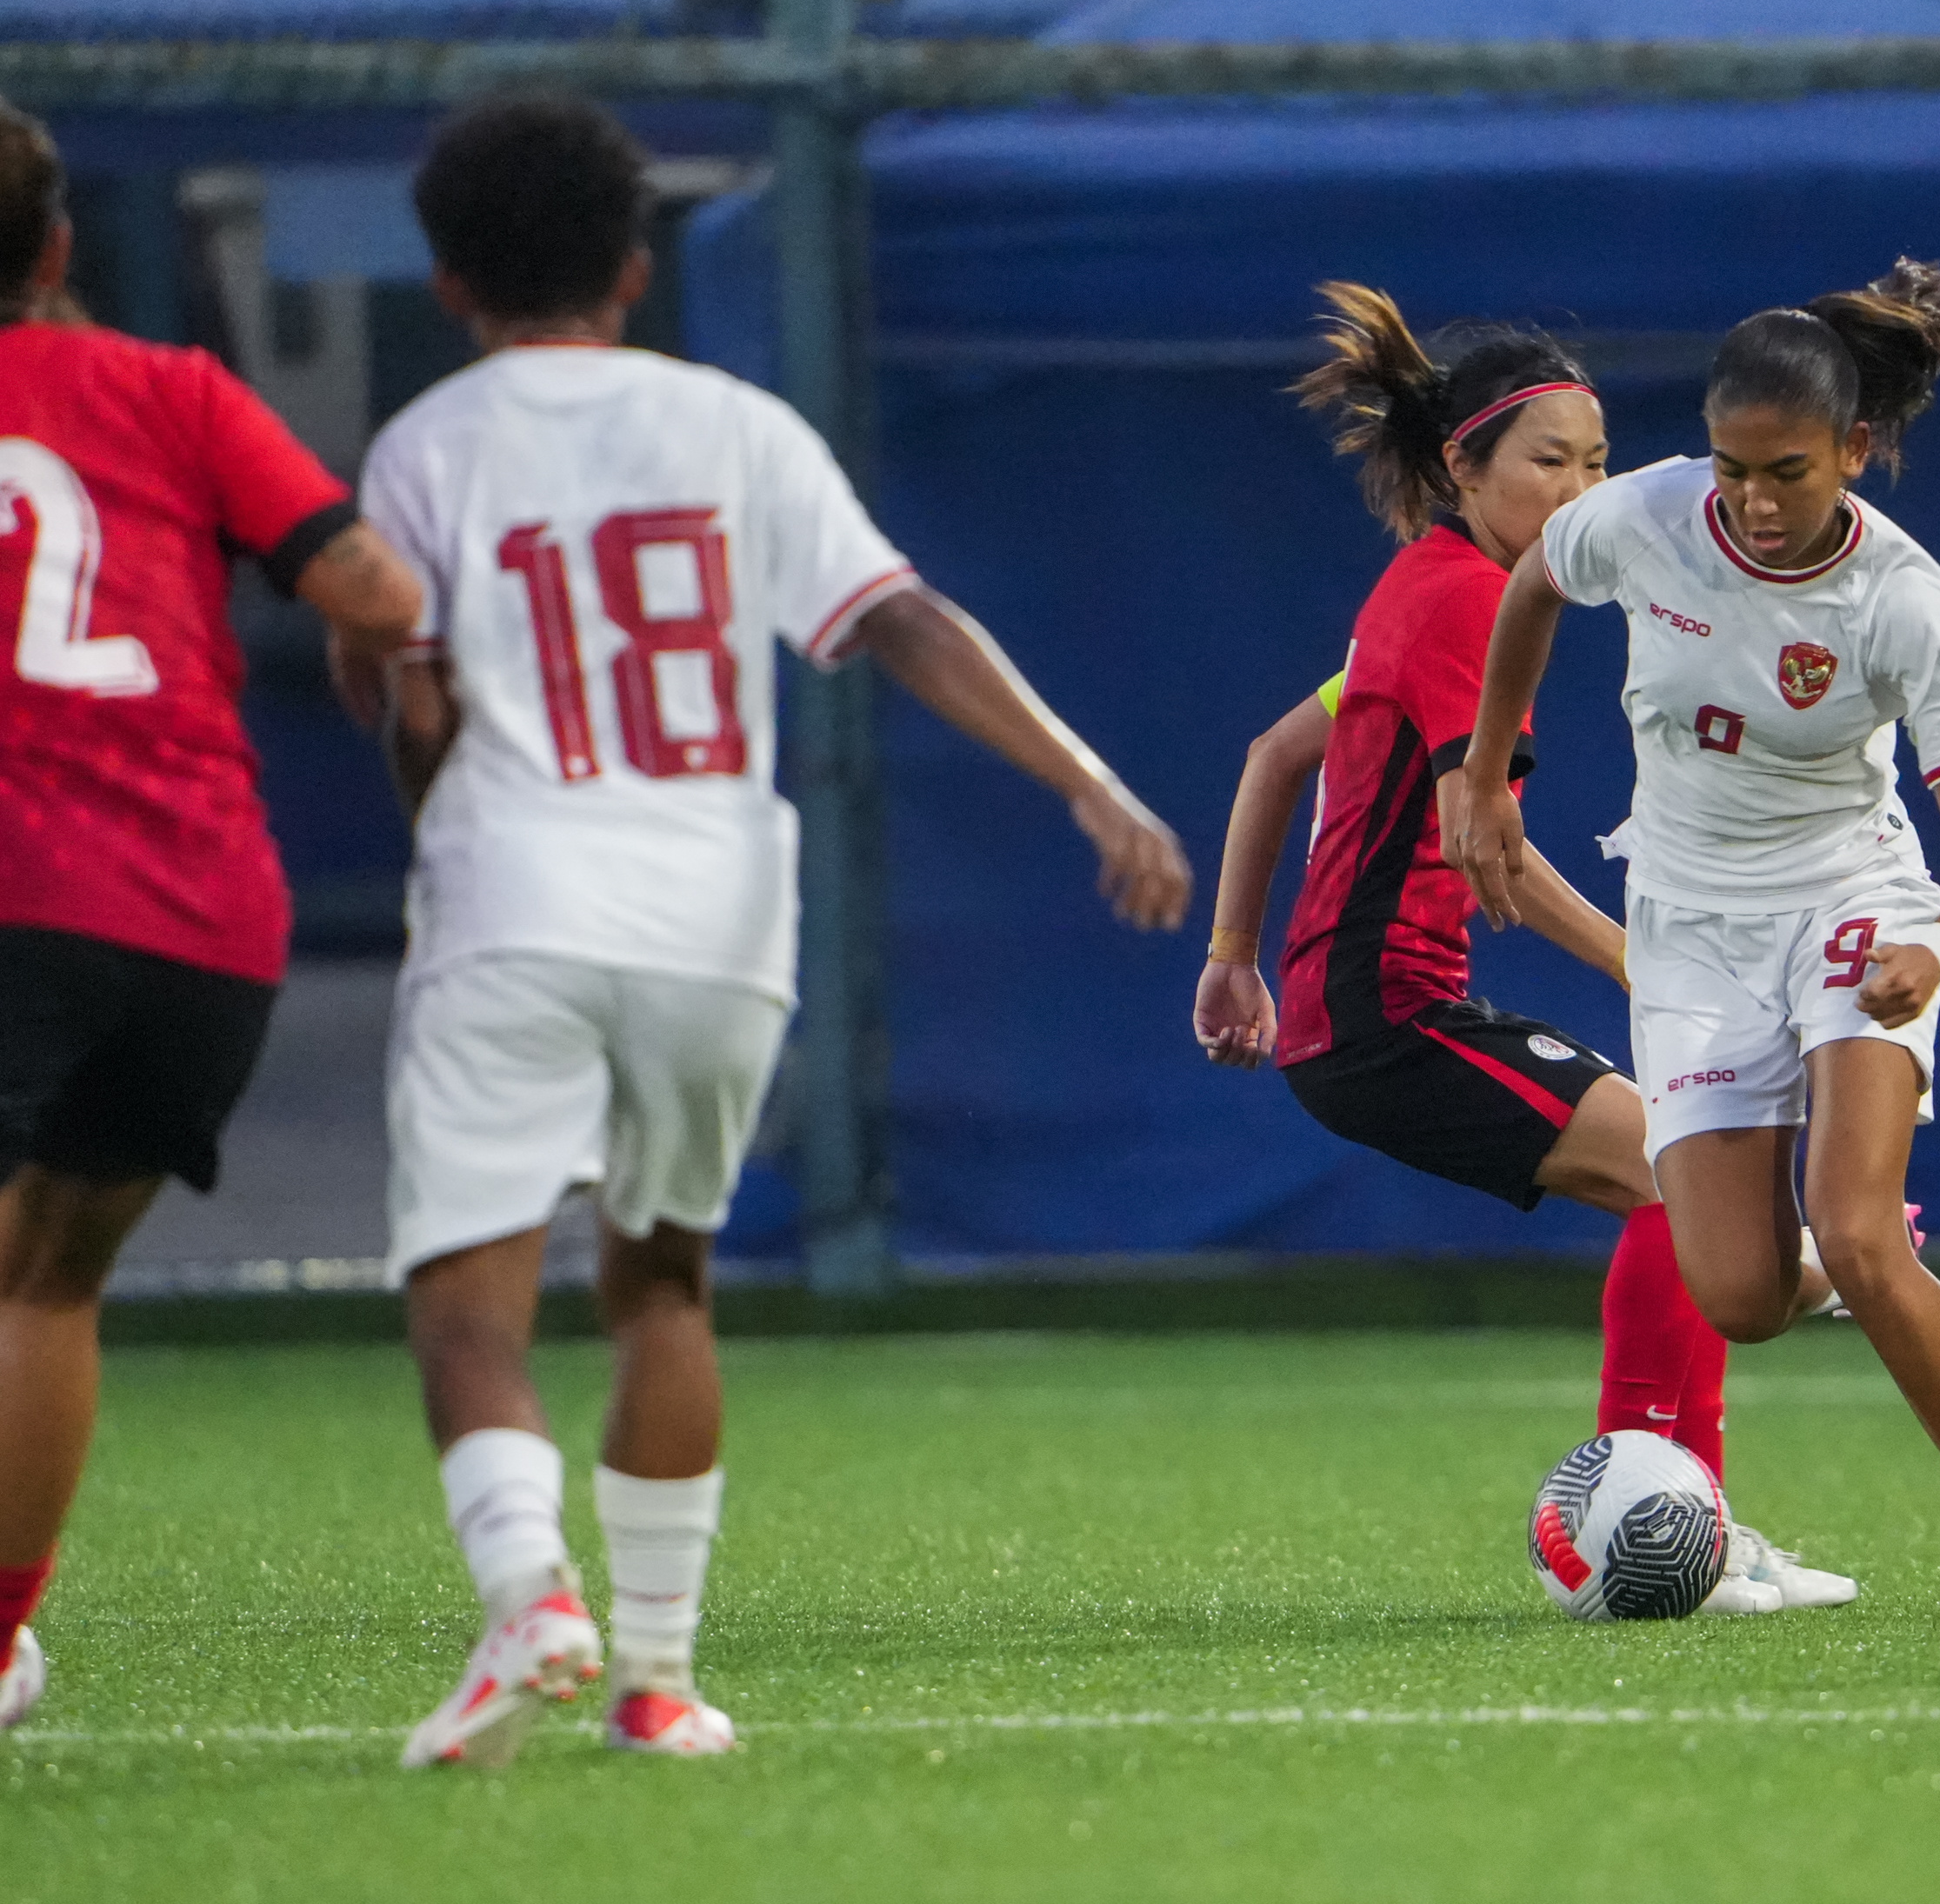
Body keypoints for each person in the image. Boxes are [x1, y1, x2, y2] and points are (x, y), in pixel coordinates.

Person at [348, 96, 1194, 1768]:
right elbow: (897, 617)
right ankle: (657, 1683)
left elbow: (410, 688)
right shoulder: (739, 426)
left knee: (468, 1305)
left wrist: (419, 766)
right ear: (635, 264)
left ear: (446, 279)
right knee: (664, 1281)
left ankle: (531, 1597)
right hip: (719, 908)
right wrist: (1091, 784)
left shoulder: (429, 441)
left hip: (520, 890)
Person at [1194, 286, 1851, 1616]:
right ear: (1465, 467)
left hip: (1368, 1007)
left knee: (1690, 1175)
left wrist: (1231, 955)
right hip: (1387, 1016)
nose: (1579, 487)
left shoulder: (1442, 588)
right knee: (1690, 1180)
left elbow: (1274, 756)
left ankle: (1695, 1517)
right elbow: (1485, 847)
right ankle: (1676, 1517)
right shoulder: (1454, 605)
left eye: (1597, 463)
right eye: (1550, 460)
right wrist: (1650, 964)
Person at [1445, 260, 1940, 1621]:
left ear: (1854, 451)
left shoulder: (1903, 600)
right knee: (1734, 1293)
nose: (1752, 498)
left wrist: (1939, 952)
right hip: (1684, 928)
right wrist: (1488, 770)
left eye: (1787, 470)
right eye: (1733, 466)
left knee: (1853, 1231)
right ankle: (1858, 1267)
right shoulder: (1646, 516)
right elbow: (1532, 589)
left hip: (1853, 906)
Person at [0, 102, 427, 1733]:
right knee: (47, 1279)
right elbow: (379, 593)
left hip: (12, 882)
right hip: (190, 909)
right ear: (56, 246)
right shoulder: (166, 388)